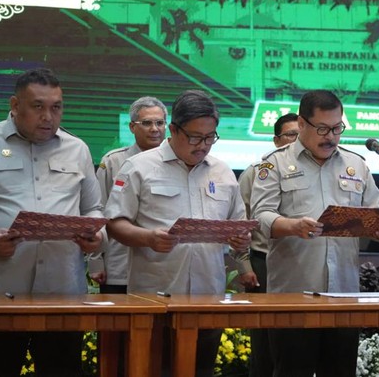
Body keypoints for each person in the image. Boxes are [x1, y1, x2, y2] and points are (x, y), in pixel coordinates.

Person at [250, 90, 379, 377]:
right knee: (293, 371)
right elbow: (260, 216)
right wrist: (292, 225)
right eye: (322, 128)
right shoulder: (274, 163)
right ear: (302, 124)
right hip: (293, 295)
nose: (331, 136)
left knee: (340, 371)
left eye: (337, 128)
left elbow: (377, 212)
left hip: (343, 293)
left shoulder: (356, 165)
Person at [104, 89, 250, 377]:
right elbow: (114, 223)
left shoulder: (222, 172)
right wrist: (148, 238)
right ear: (173, 129)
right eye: (195, 137)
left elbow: (238, 224)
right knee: (152, 369)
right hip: (154, 299)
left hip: (208, 297)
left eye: (210, 138)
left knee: (201, 370)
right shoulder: (139, 166)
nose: (203, 146)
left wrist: (239, 239)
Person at [0, 68, 104, 377]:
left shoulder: (78, 149)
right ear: (14, 104)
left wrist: (94, 236)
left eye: (56, 107)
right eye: (37, 106)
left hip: (63, 293)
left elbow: (94, 208)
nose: (48, 116)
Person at [236, 112, 298, 377]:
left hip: (301, 262)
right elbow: (241, 222)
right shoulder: (257, 172)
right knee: (264, 344)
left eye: (300, 133)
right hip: (262, 263)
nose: (297, 140)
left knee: (296, 343)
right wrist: (243, 265)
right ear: (276, 140)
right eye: (291, 135)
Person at [89, 96, 168, 293]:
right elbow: (98, 212)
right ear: (132, 127)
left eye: (160, 123)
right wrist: (95, 261)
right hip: (119, 265)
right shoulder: (114, 161)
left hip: (164, 266)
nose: (154, 129)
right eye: (147, 123)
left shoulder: (178, 164)